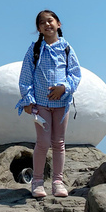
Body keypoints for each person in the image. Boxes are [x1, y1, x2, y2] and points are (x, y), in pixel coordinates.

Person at [16, 10, 82, 200]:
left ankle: (58, 181)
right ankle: (37, 181)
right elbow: (26, 75)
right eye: (42, 22)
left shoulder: (66, 47)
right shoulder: (35, 49)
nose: (47, 24)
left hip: (62, 103)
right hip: (41, 105)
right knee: (43, 142)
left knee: (59, 143)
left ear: (58, 24)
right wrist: (28, 100)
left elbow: (75, 73)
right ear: (38, 28)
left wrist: (65, 88)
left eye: (50, 20)